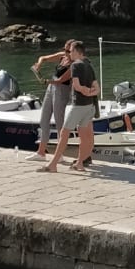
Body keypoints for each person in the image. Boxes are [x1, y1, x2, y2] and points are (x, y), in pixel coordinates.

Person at [44, 40, 99, 174]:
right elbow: (97, 88)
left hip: (78, 105)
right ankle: (80, 163)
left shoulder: (75, 65)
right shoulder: (89, 64)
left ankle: (53, 165)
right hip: (89, 106)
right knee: (85, 137)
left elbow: (76, 85)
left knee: (64, 133)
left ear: (77, 52)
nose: (69, 53)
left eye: (71, 51)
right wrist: (89, 92)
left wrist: (84, 90)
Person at [32, 40, 74, 158]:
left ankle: (59, 155)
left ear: (74, 51)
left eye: (68, 51)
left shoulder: (74, 64)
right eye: (64, 49)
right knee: (44, 119)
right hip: (51, 87)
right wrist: (39, 65)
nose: (65, 52)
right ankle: (41, 152)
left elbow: (61, 80)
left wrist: (44, 81)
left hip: (62, 89)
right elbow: (43, 58)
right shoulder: (62, 56)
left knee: (59, 122)